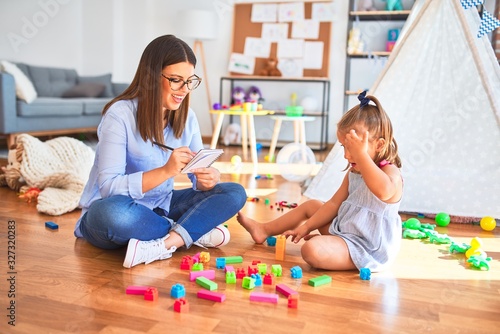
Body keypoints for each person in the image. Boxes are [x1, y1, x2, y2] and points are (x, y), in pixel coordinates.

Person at [74, 35, 247, 268]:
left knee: (234, 192)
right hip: (116, 212)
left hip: (161, 207)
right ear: (152, 77)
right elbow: (109, 188)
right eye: (176, 80)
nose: (184, 90)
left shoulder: (188, 118)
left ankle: (167, 242)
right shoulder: (119, 115)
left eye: (190, 81)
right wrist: (167, 171)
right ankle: (191, 232)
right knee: (112, 215)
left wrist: (207, 179)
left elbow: (198, 175)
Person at [237, 91, 403, 272]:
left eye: (354, 149)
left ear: (379, 145)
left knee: (311, 250)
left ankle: (331, 246)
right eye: (344, 147)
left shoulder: (391, 173)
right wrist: (307, 227)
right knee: (312, 205)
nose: (347, 155)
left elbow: (384, 191)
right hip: (344, 230)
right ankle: (264, 229)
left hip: (366, 248)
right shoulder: (354, 173)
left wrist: (361, 155)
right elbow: (333, 204)